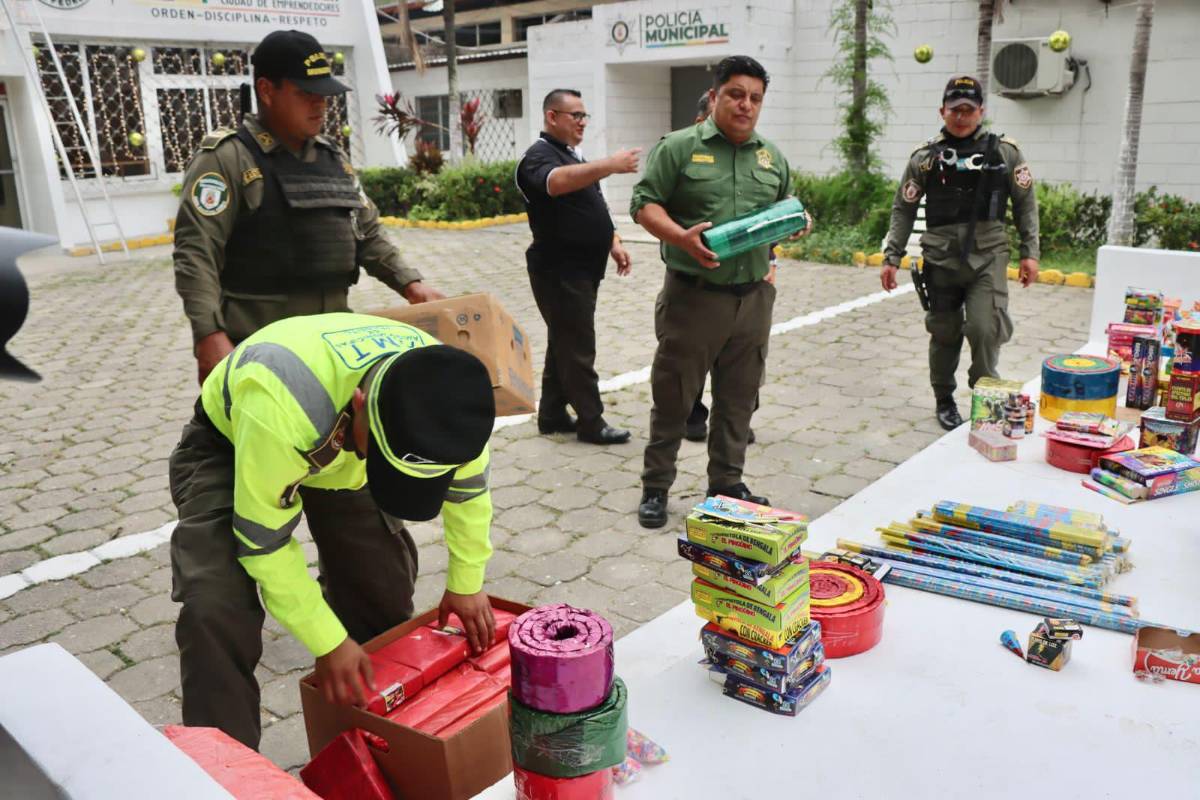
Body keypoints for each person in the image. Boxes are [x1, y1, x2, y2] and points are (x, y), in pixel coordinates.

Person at [169, 312, 497, 749]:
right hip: (236, 443)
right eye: (384, 463)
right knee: (215, 602)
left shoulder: (450, 398)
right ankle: (225, 765)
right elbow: (264, 546)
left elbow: (469, 495)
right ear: (361, 404)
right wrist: (328, 641)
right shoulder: (280, 402)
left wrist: (467, 583)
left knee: (381, 589)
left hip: (342, 451)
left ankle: (377, 745)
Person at [172, 29, 444, 388]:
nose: (319, 105)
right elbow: (196, 252)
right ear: (266, 90)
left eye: (323, 95)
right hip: (258, 346)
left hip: (331, 342)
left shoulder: (333, 159)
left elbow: (366, 233)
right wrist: (208, 334)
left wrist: (411, 283)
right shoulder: (228, 158)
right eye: (305, 94)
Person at [630, 56, 807, 529]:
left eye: (755, 98)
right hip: (694, 297)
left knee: (739, 398)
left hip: (754, 299)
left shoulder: (771, 157)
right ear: (715, 97)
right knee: (674, 396)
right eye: (736, 94)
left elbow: (783, 212)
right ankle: (656, 487)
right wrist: (680, 237)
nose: (746, 105)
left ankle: (726, 485)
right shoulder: (679, 148)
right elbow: (644, 204)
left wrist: (793, 227)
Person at [881, 75, 1039, 431]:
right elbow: (903, 208)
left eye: (969, 109)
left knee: (985, 327)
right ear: (943, 111)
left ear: (981, 111)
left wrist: (1030, 253)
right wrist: (892, 256)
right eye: (955, 110)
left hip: (988, 256)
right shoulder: (925, 158)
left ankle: (985, 396)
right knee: (945, 332)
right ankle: (944, 398)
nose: (962, 116)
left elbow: (1026, 204)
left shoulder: (1005, 153)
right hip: (941, 259)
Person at [515, 89, 638, 445]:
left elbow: (593, 201)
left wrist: (613, 241)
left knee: (565, 339)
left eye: (585, 116)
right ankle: (591, 422)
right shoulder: (537, 157)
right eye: (576, 116)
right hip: (559, 269)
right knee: (578, 346)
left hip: (583, 268)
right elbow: (555, 183)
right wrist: (610, 164)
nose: (583, 122)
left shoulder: (571, 155)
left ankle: (552, 414)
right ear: (552, 117)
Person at [684, 90, 771, 444]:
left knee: (745, 361)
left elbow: (765, 214)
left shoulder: (755, 156)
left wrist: (771, 261)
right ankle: (691, 416)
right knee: (693, 359)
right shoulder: (685, 157)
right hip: (701, 285)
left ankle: (739, 418)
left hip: (749, 285)